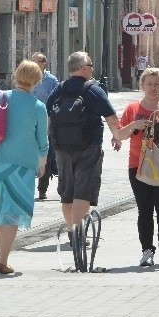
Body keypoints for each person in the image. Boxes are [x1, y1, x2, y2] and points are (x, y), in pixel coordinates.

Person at [0, 60, 48, 274]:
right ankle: (3, 258)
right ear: (37, 81)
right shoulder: (38, 107)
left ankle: (1, 251)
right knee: (12, 213)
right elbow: (42, 142)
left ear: (16, 74)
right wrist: (43, 162)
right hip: (20, 167)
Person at [116, 68, 159, 266]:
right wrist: (135, 125)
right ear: (142, 85)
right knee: (144, 210)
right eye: (149, 84)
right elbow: (120, 135)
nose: (153, 88)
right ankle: (147, 250)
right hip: (138, 165)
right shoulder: (132, 108)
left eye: (156, 84)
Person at [46, 52, 121, 240]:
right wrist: (117, 136)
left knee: (67, 190)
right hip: (89, 147)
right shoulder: (93, 90)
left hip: (62, 148)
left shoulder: (59, 90)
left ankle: (72, 229)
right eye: (91, 64)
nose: (92, 68)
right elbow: (111, 117)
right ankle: (79, 231)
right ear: (83, 68)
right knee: (83, 190)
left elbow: (48, 115)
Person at [30, 52, 59, 200]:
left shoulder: (52, 81)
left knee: (45, 155)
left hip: (46, 122)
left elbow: (57, 100)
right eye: (32, 60)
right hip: (28, 123)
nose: (34, 63)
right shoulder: (27, 78)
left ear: (44, 64)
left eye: (37, 61)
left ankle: (42, 189)